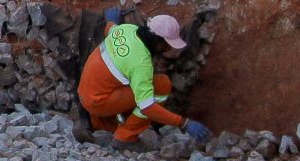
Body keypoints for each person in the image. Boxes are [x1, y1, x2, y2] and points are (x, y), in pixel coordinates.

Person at [78, 13, 210, 146]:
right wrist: (184, 123)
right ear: (157, 40)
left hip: (85, 93)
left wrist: (111, 20)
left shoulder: (127, 29)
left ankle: (96, 122)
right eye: (167, 44)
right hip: (97, 102)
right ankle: (125, 138)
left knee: (129, 82)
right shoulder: (141, 63)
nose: (169, 48)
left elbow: (110, 29)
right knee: (162, 86)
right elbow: (147, 107)